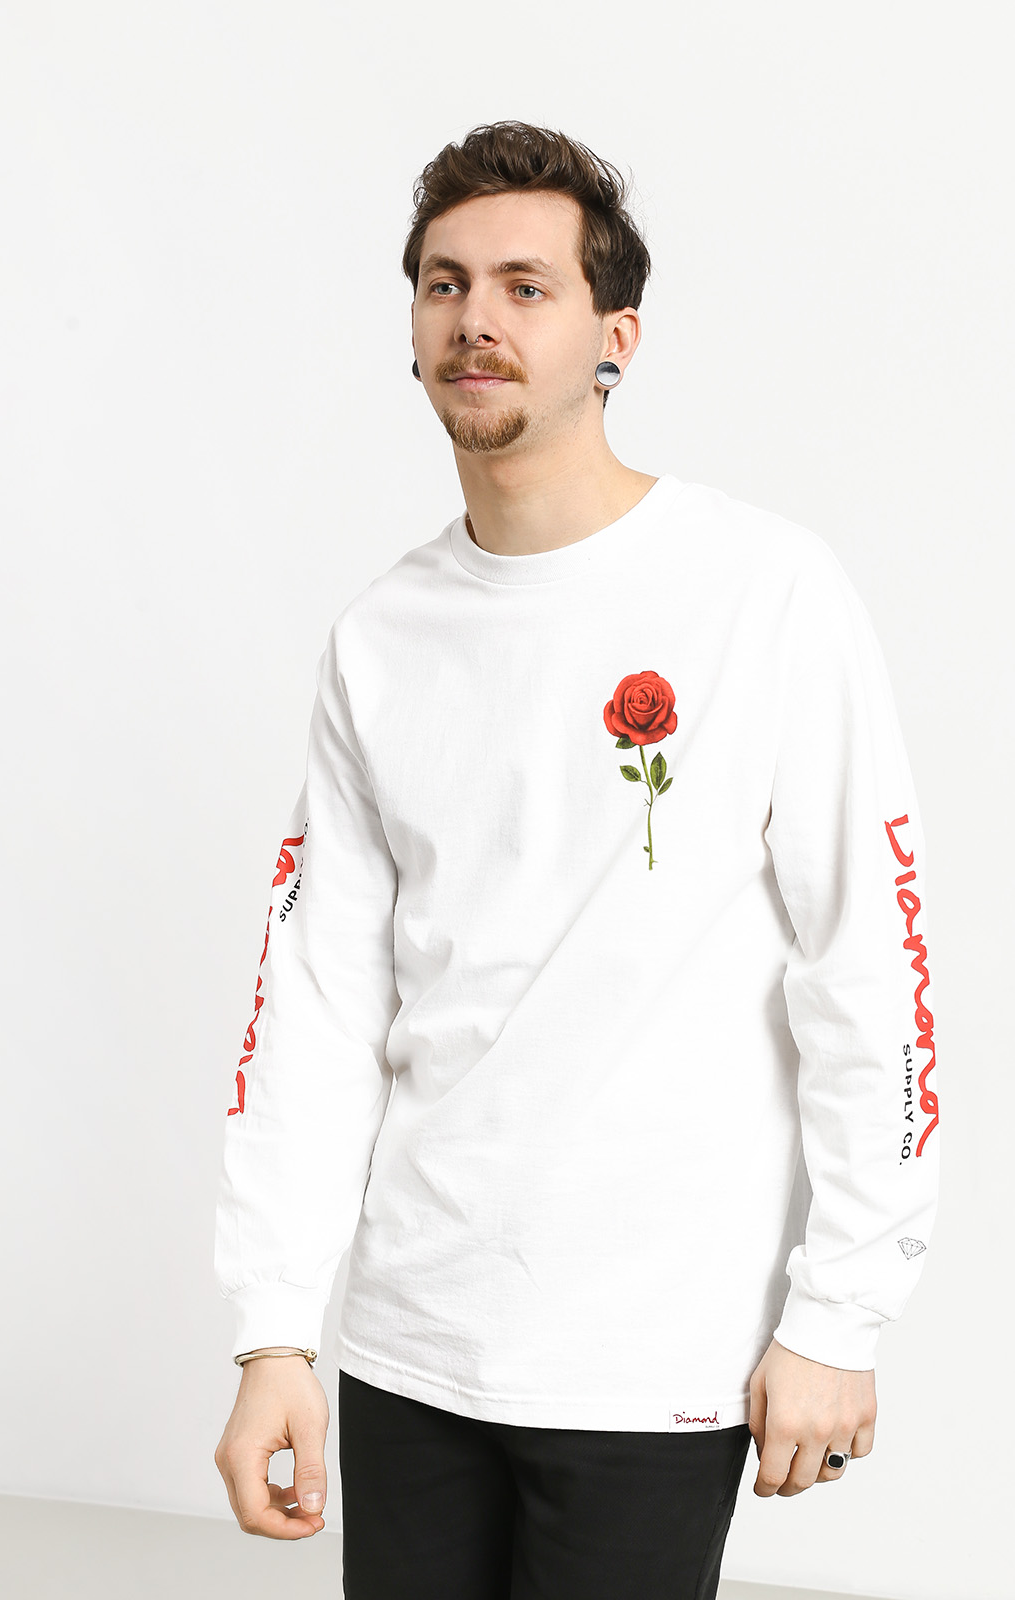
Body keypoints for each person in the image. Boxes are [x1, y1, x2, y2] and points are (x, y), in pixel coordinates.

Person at [212, 120, 940, 1598]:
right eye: (445, 282)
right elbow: (320, 1006)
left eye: (525, 286)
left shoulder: (763, 592)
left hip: (650, 1355)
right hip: (409, 1346)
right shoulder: (381, 638)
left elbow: (868, 965)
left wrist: (843, 1309)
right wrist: (274, 1330)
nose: (475, 317)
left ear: (617, 337)